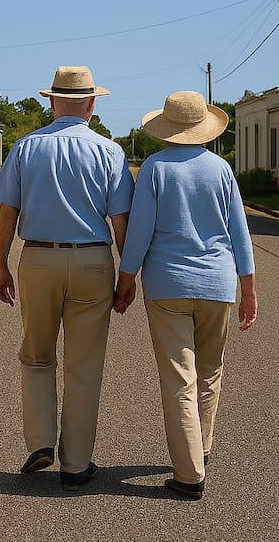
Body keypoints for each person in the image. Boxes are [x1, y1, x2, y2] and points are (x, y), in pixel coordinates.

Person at [0, 65, 134, 491]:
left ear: (51, 101)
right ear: (91, 104)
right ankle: (75, 463)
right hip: (93, 260)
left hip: (37, 259)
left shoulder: (27, 148)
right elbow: (121, 220)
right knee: (84, 366)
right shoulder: (109, 152)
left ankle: (39, 441)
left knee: (36, 354)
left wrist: (0, 264)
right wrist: (127, 277)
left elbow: (6, 213)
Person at [113, 89, 258, 500]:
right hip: (218, 284)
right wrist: (248, 290)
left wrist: (126, 282)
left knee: (180, 378)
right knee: (210, 372)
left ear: (167, 128)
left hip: (167, 286)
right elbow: (240, 235)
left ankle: (190, 472)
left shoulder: (155, 170)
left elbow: (139, 233)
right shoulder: (221, 170)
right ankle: (201, 448)